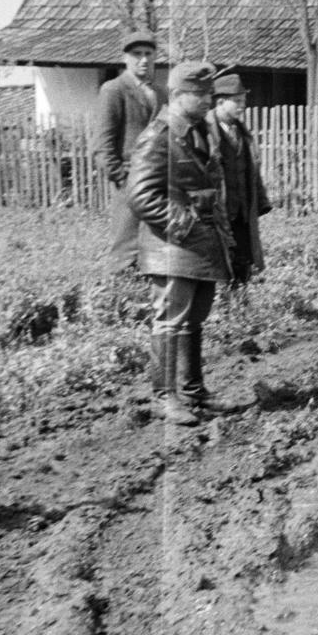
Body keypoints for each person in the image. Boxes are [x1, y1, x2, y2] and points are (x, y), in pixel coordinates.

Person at [128, 61, 246, 425]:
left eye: (210, 93)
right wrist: (186, 223)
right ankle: (166, 397)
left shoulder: (199, 131)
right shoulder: (159, 136)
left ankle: (194, 393)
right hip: (172, 247)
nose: (209, 99)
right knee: (169, 322)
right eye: (201, 93)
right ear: (177, 95)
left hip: (199, 247)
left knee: (193, 321)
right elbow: (141, 195)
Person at [91, 29, 162, 273]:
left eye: (148, 54)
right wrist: (122, 179)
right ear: (125, 58)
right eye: (137, 54)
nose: (143, 59)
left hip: (159, 181)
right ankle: (118, 299)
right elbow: (103, 146)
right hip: (130, 180)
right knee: (125, 247)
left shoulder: (160, 93)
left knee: (154, 246)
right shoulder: (114, 90)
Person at [208, 73, 272, 289]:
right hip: (217, 211)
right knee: (218, 262)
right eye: (237, 101)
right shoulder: (205, 132)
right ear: (220, 102)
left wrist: (261, 202)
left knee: (243, 260)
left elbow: (252, 171)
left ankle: (240, 306)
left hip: (242, 213)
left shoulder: (243, 133)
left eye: (243, 101)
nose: (242, 106)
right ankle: (222, 307)